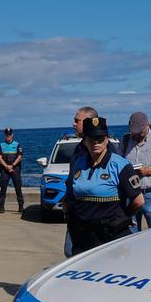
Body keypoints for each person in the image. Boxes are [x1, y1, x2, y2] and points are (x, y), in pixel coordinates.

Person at [64, 116, 144, 254]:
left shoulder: (120, 165)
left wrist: (123, 218)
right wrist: (68, 216)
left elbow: (138, 201)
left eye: (100, 138)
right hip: (82, 237)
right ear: (84, 140)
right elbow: (69, 195)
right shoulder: (78, 163)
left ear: (107, 139)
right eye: (92, 138)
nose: (96, 142)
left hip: (110, 236)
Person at [63, 106, 100, 258]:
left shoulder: (103, 150)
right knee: (71, 251)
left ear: (88, 123)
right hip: (76, 212)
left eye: (77, 121)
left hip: (93, 213)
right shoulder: (79, 149)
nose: (73, 124)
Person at [0, 127, 23, 213]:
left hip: (15, 169)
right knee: (3, 188)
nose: (8, 136)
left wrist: (12, 165)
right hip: (4, 169)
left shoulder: (17, 145)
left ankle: (21, 206)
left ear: (12, 135)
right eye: (7, 135)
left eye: (10, 135)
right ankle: (1, 206)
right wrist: (7, 166)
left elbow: (20, 157)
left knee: (18, 188)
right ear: (5, 135)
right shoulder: (1, 145)